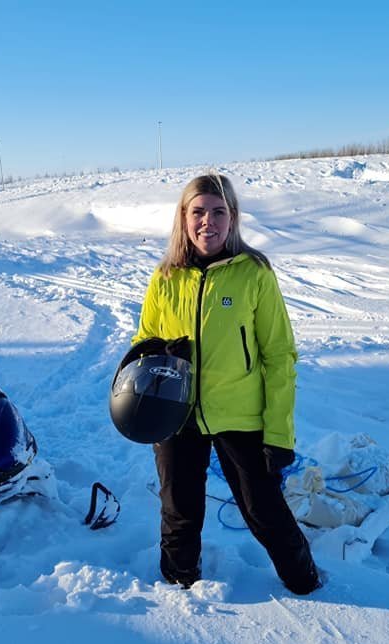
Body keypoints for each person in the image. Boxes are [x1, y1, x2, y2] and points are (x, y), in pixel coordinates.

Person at [133, 173, 321, 595]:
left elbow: (279, 356)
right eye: (197, 211)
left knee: (264, 510)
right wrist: (160, 357)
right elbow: (143, 342)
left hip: (240, 414)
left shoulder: (254, 274)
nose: (207, 222)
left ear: (233, 218)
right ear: (183, 218)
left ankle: (306, 583)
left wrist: (278, 433)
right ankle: (179, 588)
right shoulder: (165, 277)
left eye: (218, 212)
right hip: (177, 414)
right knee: (178, 511)